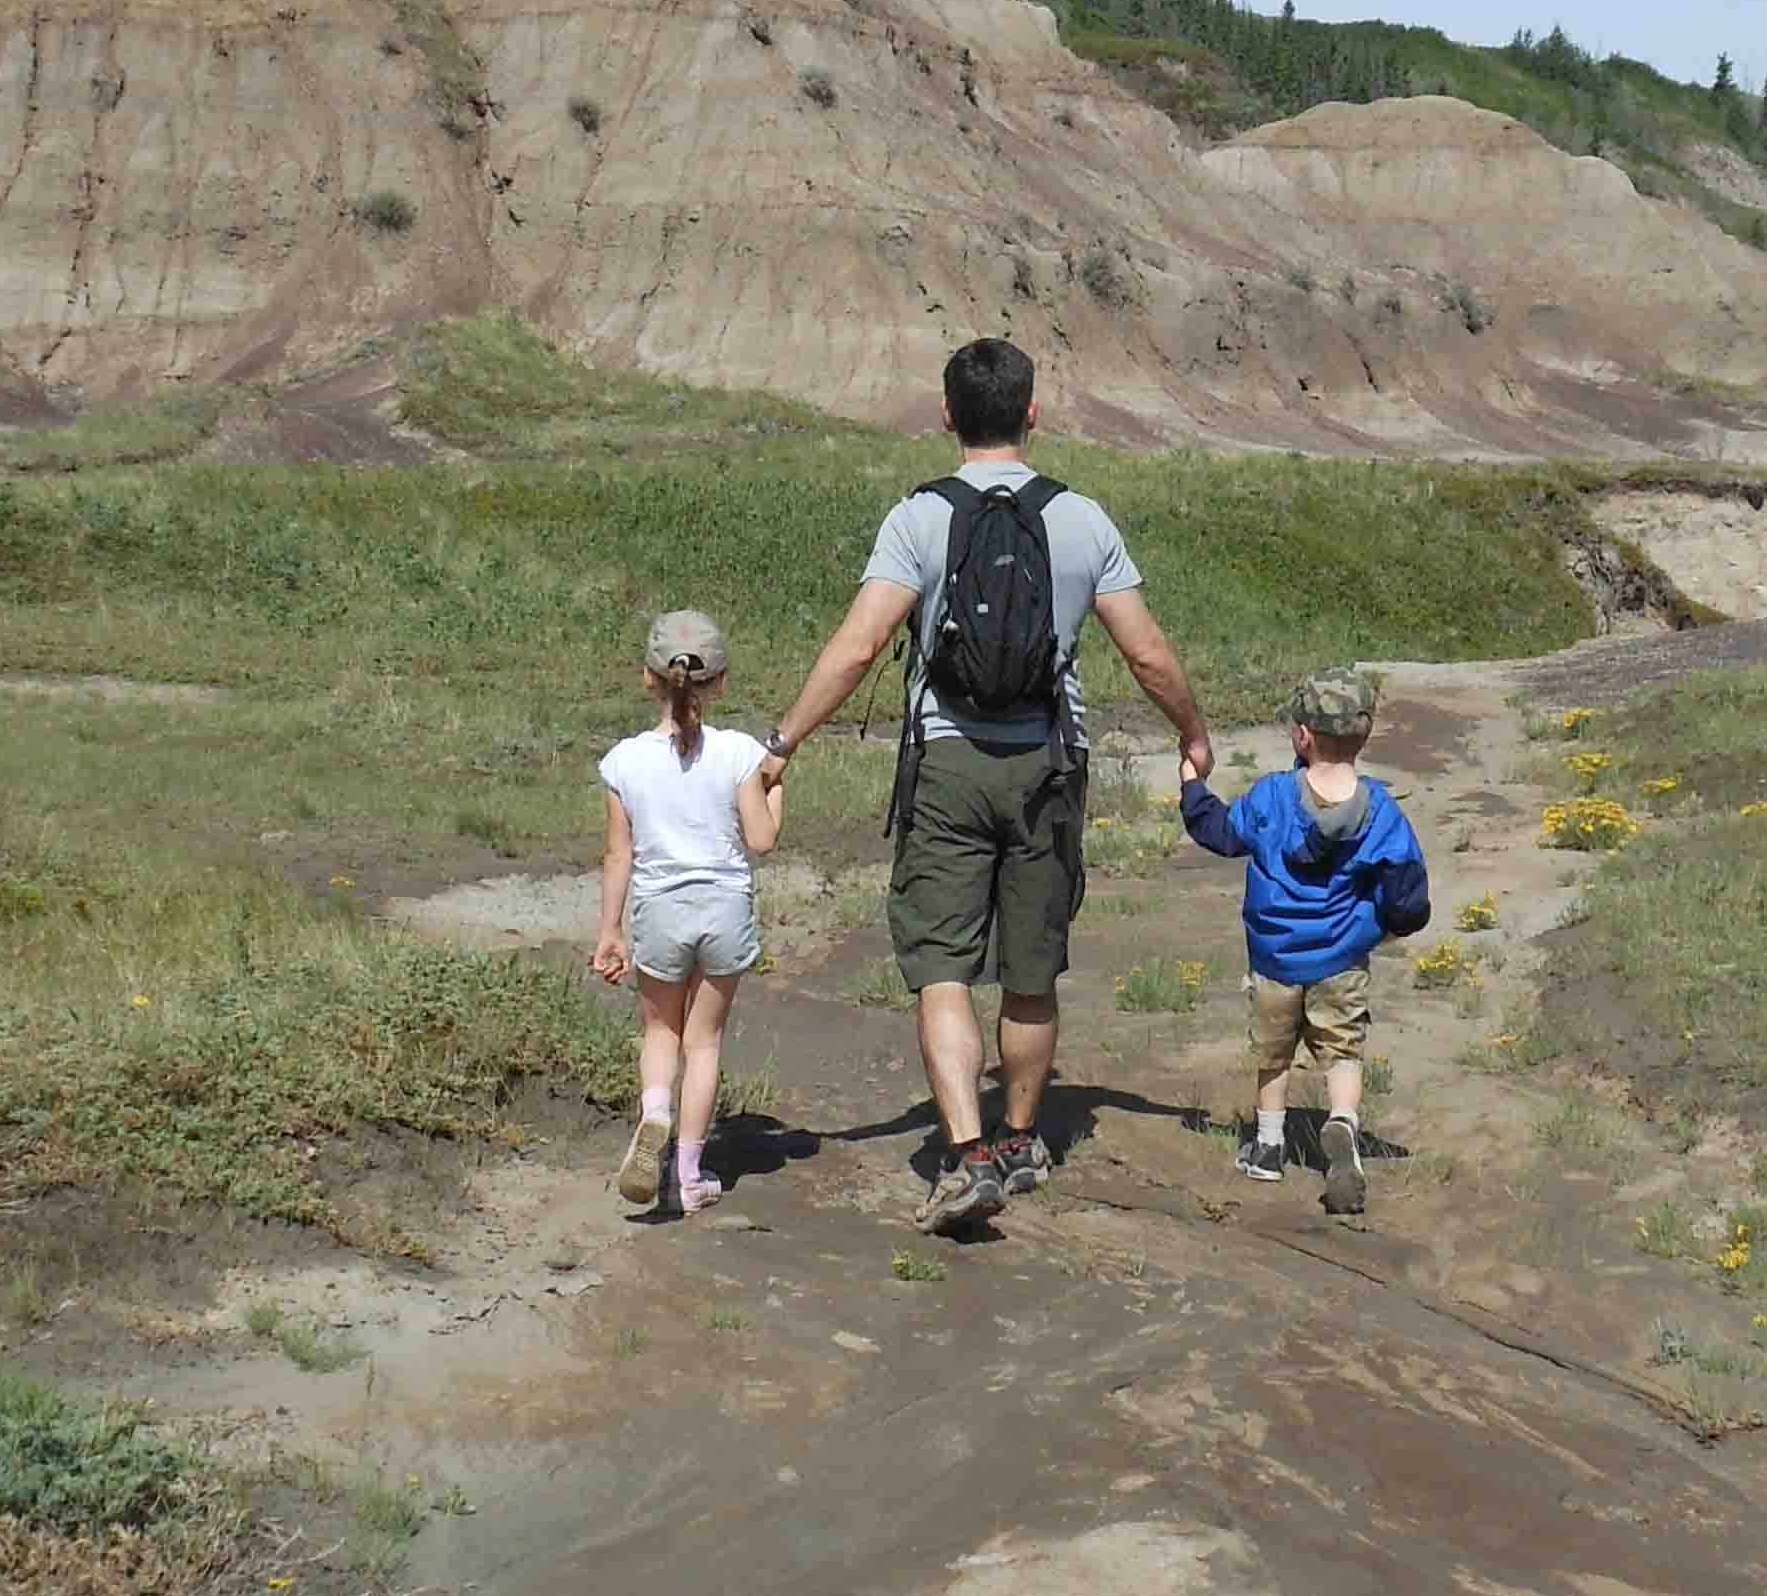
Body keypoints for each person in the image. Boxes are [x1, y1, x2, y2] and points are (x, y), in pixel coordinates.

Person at [756, 335, 1210, 1231]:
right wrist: (1192, 733)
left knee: (942, 969)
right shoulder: (1082, 519)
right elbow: (1148, 653)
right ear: (1032, 413)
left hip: (948, 766)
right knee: (1031, 969)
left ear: (947, 415)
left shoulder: (918, 518)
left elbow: (858, 646)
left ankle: (966, 1156)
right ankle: (1021, 1140)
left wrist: (782, 745)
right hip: (1049, 764)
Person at [1175, 668, 1429, 1217]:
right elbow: (1408, 891)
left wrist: (1193, 787)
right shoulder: (1381, 810)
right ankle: (1343, 1124)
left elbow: (1221, 833)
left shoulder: (1271, 797)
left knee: (1274, 1055)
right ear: (1364, 735)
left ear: (1301, 735)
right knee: (1341, 1052)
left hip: (1275, 960)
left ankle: (1268, 1147)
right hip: (1342, 959)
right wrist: (1390, 926)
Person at [591, 607, 781, 1217]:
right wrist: (776, 788)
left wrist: (610, 930)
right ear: (719, 683)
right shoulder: (740, 753)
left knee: (660, 1032)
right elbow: (762, 840)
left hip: (659, 910)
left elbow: (618, 854)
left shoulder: (624, 761)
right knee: (704, 1042)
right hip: (724, 910)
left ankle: (655, 1113)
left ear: (649, 678)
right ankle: (689, 1175)